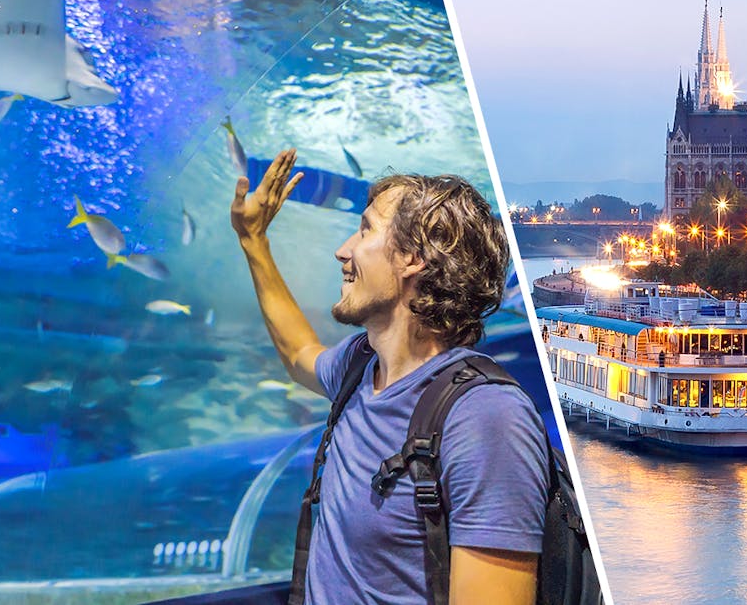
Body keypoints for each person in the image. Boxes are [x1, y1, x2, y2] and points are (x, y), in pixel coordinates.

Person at [231, 149, 546, 604]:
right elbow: (299, 352)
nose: (344, 250)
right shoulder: (360, 365)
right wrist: (253, 240)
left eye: (364, 231)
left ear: (412, 258)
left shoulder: (485, 419)